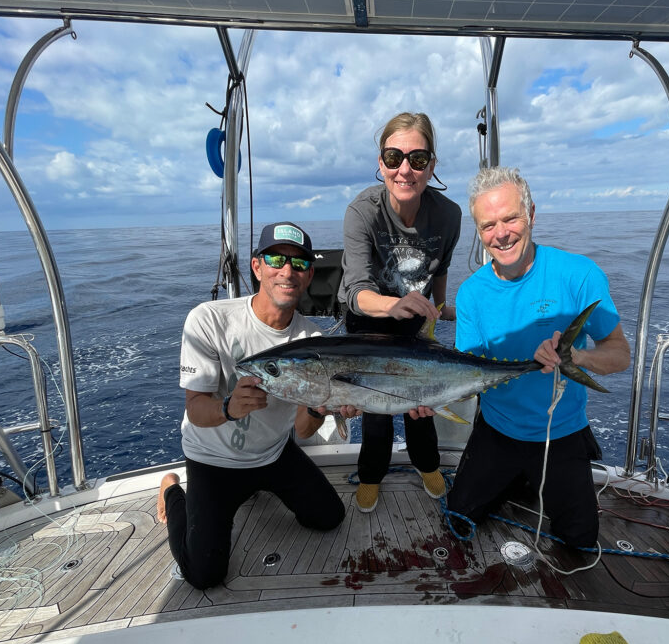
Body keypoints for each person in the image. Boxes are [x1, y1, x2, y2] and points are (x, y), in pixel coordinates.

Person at [157, 222, 352, 590]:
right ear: (257, 266)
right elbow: (196, 410)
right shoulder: (209, 319)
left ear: (310, 274)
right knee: (204, 575)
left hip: (273, 454)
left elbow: (303, 429)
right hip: (212, 460)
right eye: (276, 259)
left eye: (299, 263)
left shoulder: (311, 339)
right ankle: (170, 489)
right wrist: (228, 408)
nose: (287, 271)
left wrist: (321, 406)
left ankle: (256, 487)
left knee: (329, 517)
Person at [447, 167, 631, 548]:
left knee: (580, 541)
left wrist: (576, 357)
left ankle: (527, 477)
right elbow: (468, 374)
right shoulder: (470, 294)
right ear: (478, 232)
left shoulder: (578, 275)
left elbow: (620, 354)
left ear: (531, 213)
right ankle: (517, 476)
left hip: (560, 432)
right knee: (458, 519)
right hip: (496, 429)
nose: (501, 234)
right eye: (488, 225)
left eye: (510, 218)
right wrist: (424, 397)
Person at [338, 111, 462, 513]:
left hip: (415, 322)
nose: (405, 169)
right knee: (376, 413)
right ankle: (371, 474)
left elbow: (439, 271)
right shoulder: (363, 211)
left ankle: (427, 465)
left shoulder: (449, 214)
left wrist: (439, 315)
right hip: (368, 322)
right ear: (381, 163)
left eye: (418, 159)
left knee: (420, 410)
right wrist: (394, 304)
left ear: (432, 165)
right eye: (394, 158)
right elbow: (356, 291)